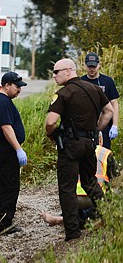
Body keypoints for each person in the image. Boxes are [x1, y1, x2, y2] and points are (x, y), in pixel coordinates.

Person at [45, 58, 114, 242]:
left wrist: (51, 135)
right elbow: (109, 111)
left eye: (56, 72)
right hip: (89, 143)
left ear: (68, 71)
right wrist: (97, 129)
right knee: (90, 182)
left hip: (70, 145)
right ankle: (111, 217)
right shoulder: (94, 89)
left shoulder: (64, 93)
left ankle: (73, 232)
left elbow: (50, 122)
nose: (54, 76)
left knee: (67, 188)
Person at [0, 71, 28, 235]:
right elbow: (6, 127)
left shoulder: (0, 100)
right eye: (17, 87)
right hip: (6, 149)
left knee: (1, 184)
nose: (19, 90)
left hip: (2, 148)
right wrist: (18, 148)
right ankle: (4, 224)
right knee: (9, 186)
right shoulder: (3, 102)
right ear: (7, 85)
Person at [41, 144, 114, 227]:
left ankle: (62, 218)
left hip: (76, 197)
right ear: (100, 139)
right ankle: (97, 219)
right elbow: (115, 180)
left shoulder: (73, 149)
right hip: (96, 195)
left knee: (70, 205)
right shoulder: (105, 153)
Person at [81, 52, 120, 149]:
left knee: (103, 154)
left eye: (94, 66)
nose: (92, 69)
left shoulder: (107, 81)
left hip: (105, 124)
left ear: (99, 65)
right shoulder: (80, 82)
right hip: (86, 125)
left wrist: (115, 125)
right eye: (89, 66)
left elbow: (114, 103)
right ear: (85, 66)